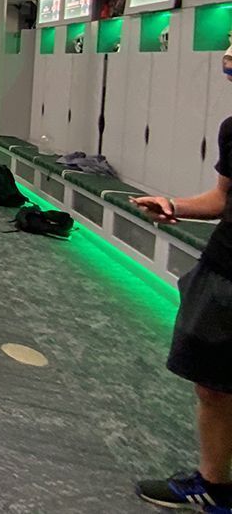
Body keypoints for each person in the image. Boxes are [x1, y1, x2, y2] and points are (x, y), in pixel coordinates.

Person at [135, 43, 232, 512]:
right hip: (225, 270)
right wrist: (176, 205)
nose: (227, 58)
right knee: (212, 385)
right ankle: (214, 484)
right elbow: (221, 199)